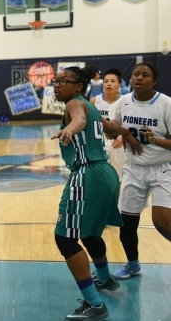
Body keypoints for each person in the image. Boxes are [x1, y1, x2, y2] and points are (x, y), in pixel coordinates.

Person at [50, 66, 141, 321]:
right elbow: (111, 127)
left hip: (87, 175)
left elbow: (78, 119)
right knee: (88, 232)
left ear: (78, 86)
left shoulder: (75, 105)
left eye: (62, 81)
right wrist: (129, 136)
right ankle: (104, 279)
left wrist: (70, 129)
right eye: (54, 81)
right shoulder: (90, 107)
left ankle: (94, 304)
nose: (56, 86)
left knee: (65, 239)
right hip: (106, 174)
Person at [109, 62, 171, 280]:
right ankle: (132, 264)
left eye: (145, 75)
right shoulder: (123, 102)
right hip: (134, 169)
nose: (139, 78)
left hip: (162, 168)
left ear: (154, 80)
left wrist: (156, 140)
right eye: (136, 74)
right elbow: (110, 130)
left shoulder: (166, 104)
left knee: (162, 220)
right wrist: (125, 134)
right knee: (126, 224)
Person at [90, 68, 126, 178]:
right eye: (106, 81)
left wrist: (122, 136)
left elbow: (128, 123)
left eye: (113, 81)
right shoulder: (94, 101)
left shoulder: (125, 101)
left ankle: (118, 195)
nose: (109, 84)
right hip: (99, 142)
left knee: (119, 176)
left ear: (119, 84)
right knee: (101, 176)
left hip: (118, 142)